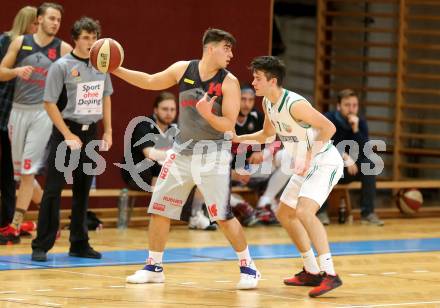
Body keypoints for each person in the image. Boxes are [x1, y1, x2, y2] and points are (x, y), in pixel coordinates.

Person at [113, 28, 260, 289]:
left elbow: (228, 126)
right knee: (159, 209)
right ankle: (153, 267)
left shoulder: (230, 82)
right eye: (226, 48)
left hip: (213, 154)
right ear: (210, 47)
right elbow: (149, 81)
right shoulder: (184, 69)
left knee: (222, 216)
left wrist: (206, 113)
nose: (231, 54)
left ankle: (249, 267)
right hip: (181, 152)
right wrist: (116, 69)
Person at [234, 56, 343, 297]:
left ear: (273, 81)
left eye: (257, 78)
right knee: (284, 213)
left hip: (323, 161)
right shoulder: (267, 104)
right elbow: (267, 135)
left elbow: (329, 128)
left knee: (304, 212)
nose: (253, 82)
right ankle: (311, 270)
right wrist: (238, 138)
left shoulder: (294, 104)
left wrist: (307, 157)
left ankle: (330, 274)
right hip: (305, 164)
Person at [31, 17, 112, 262]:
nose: (90, 42)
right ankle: (41, 244)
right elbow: (49, 102)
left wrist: (108, 131)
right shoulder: (62, 66)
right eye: (86, 37)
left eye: (94, 37)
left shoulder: (102, 65)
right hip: (66, 132)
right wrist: (67, 134)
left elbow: (106, 97)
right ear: (76, 39)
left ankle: (79, 242)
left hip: (90, 134)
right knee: (53, 190)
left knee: (83, 190)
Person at [0, 2, 72, 244]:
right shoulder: (21, 42)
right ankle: (53, 220)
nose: (55, 23)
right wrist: (16, 72)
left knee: (28, 171)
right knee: (21, 174)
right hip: (17, 112)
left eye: (58, 20)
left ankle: (15, 225)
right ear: (39, 19)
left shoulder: (63, 49)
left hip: (42, 114)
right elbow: (1, 71)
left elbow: (77, 78)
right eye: (51, 18)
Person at [120, 91, 215, 230]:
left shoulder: (177, 129)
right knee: (159, 173)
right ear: (156, 110)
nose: (169, 113)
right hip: (138, 172)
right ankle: (160, 217)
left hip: (162, 170)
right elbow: (149, 153)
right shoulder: (143, 125)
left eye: (172, 109)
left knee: (199, 173)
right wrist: (174, 154)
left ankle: (195, 216)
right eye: (165, 109)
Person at [317, 89, 384, 226]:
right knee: (322, 165)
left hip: (351, 170)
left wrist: (356, 130)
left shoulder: (360, 122)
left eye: (354, 105)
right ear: (338, 106)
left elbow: (366, 150)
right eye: (347, 105)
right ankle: (321, 213)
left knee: (369, 165)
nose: (351, 109)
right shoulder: (328, 119)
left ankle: (368, 214)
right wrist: (344, 157)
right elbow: (324, 145)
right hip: (332, 166)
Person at [0, 6, 38, 244]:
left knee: (9, 173)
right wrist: (16, 71)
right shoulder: (7, 41)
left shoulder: (35, 46)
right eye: (36, 23)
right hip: (4, 105)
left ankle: (7, 225)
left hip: (17, 114)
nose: (38, 28)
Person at [231, 84, 291, 226]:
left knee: (291, 157)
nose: (247, 104)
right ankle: (241, 205)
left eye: (250, 100)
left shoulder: (257, 116)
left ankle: (265, 202)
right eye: (243, 99)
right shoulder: (227, 119)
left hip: (254, 169)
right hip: (230, 171)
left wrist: (263, 153)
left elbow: (276, 143)